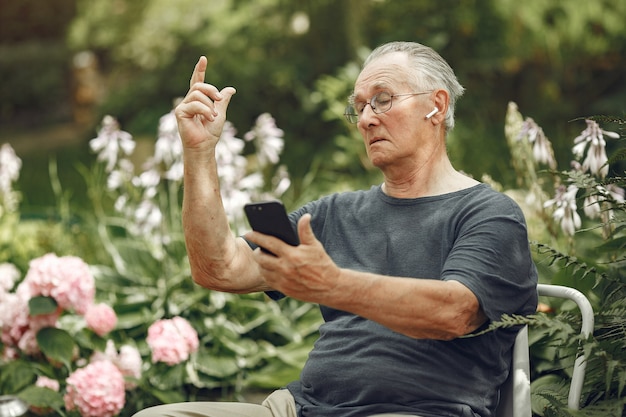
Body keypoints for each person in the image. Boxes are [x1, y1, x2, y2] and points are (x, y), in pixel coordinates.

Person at [134, 41, 538, 417]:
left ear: (436, 105)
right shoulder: (334, 213)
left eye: (382, 100)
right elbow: (218, 268)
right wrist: (199, 151)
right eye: (358, 107)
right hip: (299, 408)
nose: (365, 119)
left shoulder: (488, 213)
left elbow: (455, 312)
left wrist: (331, 285)